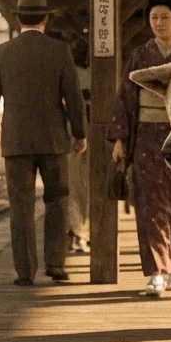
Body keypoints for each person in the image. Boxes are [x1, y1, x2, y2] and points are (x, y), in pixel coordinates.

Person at [0, 0, 87, 286]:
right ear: (46, 19)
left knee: (21, 205)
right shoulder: (59, 51)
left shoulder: (0, 53)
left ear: (17, 19)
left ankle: (25, 271)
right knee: (58, 200)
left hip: (16, 142)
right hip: (54, 141)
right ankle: (55, 264)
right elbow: (73, 99)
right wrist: (79, 134)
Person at [110, 0, 171, 296]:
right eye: (154, 18)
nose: (159, 23)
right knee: (149, 203)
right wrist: (120, 139)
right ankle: (155, 272)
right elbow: (124, 97)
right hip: (147, 133)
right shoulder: (138, 56)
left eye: (165, 17)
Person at [65, 38, 92, 254]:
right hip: (81, 134)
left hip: (77, 134)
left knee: (78, 188)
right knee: (81, 187)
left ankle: (81, 233)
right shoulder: (95, 74)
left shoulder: (71, 75)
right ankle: (81, 233)